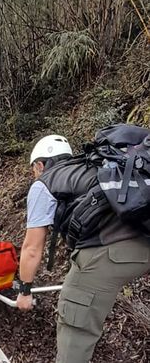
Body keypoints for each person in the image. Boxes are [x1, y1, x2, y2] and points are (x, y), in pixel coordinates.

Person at [17, 134, 150, 362]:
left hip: (111, 250)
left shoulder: (44, 183)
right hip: (143, 243)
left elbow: (31, 248)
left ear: (40, 164)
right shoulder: (93, 167)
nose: (34, 175)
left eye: (34, 169)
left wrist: (25, 291)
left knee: (74, 313)